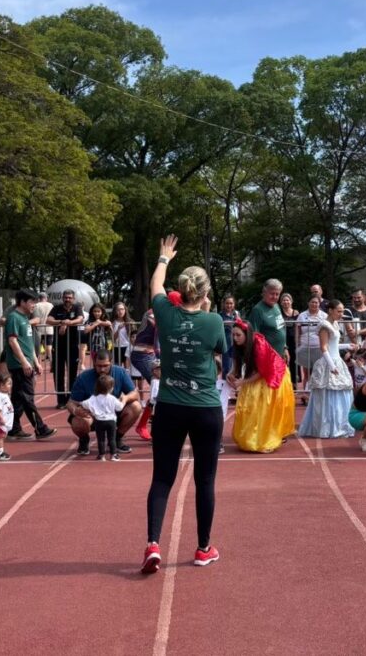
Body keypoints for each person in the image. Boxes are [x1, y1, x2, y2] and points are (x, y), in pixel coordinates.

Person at [142, 235, 226, 574]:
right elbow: (218, 350)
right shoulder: (214, 321)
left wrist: (164, 257)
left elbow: (156, 286)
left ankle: (152, 543)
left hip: (171, 407)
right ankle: (203, 548)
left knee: (162, 478)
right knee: (205, 481)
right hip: (206, 408)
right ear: (205, 294)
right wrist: (204, 310)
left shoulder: (164, 313)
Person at [228, 318, 296, 452]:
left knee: (265, 407)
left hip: (274, 374)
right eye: (233, 335)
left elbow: (262, 373)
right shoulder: (238, 345)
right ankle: (254, 436)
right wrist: (230, 374)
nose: (235, 338)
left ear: (246, 335)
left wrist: (242, 382)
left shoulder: (258, 345)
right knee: (253, 404)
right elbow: (235, 365)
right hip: (261, 373)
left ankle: (268, 436)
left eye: (238, 335)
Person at [298, 300, 355, 438]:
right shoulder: (324, 325)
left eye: (342, 311)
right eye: (339, 311)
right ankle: (327, 428)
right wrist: (332, 365)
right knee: (328, 396)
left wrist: (348, 346)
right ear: (330, 310)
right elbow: (323, 348)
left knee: (341, 395)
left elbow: (333, 345)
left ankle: (339, 425)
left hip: (336, 360)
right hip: (328, 362)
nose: (341, 314)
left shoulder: (335, 323)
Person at [5, 289, 56, 441]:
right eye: (32, 301)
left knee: (18, 398)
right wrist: (24, 362)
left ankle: (13, 428)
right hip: (19, 364)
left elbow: (27, 343)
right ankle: (40, 428)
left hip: (26, 362)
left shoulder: (25, 319)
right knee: (27, 397)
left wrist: (35, 361)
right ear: (22, 302)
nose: (34, 304)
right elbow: (13, 341)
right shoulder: (14, 317)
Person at [67, 349, 141, 455]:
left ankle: (117, 438)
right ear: (94, 363)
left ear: (111, 362)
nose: (102, 369)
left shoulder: (120, 372)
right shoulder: (83, 378)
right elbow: (70, 402)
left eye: (105, 365)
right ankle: (84, 440)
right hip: (91, 415)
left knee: (136, 407)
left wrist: (125, 399)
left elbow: (135, 394)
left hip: (112, 414)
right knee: (77, 422)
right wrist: (75, 411)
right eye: (98, 366)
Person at [75, 373, 127, 461]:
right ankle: (113, 455)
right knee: (112, 439)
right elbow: (120, 408)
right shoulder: (112, 398)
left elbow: (84, 404)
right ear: (111, 388)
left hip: (99, 421)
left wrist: (79, 404)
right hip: (111, 421)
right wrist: (123, 400)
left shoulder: (93, 398)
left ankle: (101, 455)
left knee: (101, 439)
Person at [47, 289, 84, 409]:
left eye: (69, 297)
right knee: (58, 373)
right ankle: (61, 400)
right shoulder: (57, 308)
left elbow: (80, 319)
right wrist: (62, 322)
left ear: (73, 299)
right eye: (65, 297)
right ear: (62, 298)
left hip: (73, 345)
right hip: (58, 346)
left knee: (72, 373)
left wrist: (68, 323)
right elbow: (48, 320)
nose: (67, 299)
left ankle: (70, 399)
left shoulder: (77, 307)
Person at [295, 296, 326, 402]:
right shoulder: (302, 316)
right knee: (307, 372)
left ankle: (318, 395)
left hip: (319, 347)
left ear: (319, 304)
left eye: (316, 302)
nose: (314, 304)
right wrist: (297, 345)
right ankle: (306, 395)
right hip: (305, 346)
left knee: (318, 372)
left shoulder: (324, 316)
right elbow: (297, 331)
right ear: (308, 303)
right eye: (312, 302)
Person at [248, 279, 288, 360]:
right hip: (267, 357)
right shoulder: (258, 310)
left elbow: (281, 328)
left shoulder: (276, 306)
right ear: (264, 293)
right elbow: (253, 336)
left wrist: (285, 348)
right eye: (272, 293)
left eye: (277, 294)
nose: (275, 297)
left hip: (280, 354)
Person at [279, 292, 299, 386]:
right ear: (281, 302)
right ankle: (283, 382)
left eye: (287, 300)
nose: (286, 302)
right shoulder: (278, 312)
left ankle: (294, 382)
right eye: (284, 300)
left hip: (293, 339)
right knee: (282, 360)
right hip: (282, 338)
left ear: (291, 301)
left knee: (294, 360)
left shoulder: (296, 312)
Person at [33, 292, 54, 365]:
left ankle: (38, 364)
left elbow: (34, 316)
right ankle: (51, 362)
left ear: (39, 298)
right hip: (49, 328)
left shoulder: (36, 305)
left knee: (38, 347)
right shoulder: (51, 305)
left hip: (39, 328)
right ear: (46, 298)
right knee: (49, 346)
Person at [111, 301, 133, 368]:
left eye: (122, 309)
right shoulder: (113, 322)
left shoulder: (130, 322)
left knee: (127, 368)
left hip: (127, 347)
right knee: (117, 368)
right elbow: (112, 339)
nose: (120, 312)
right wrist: (118, 329)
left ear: (125, 310)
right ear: (115, 311)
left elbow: (133, 336)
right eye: (118, 310)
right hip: (116, 347)